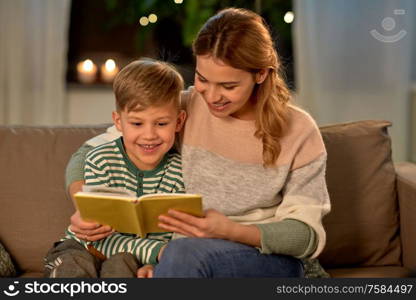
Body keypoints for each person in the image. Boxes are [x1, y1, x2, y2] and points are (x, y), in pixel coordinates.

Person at [65, 8, 331, 278]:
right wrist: (87, 207)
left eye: (228, 86)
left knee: (184, 253)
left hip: (265, 258)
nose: (212, 96)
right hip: (186, 257)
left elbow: (305, 235)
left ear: (260, 74)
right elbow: (88, 152)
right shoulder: (185, 108)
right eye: (203, 79)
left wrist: (227, 230)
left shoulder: (299, 130)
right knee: (181, 255)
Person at [44, 59, 186, 278]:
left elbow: (171, 237)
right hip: (82, 246)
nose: (149, 135)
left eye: (161, 123)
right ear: (118, 122)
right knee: (73, 267)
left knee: (122, 266)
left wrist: (157, 264)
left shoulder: (179, 172)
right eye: (137, 124)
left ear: (178, 122)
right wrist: (158, 253)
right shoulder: (100, 160)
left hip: (132, 257)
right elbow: (100, 236)